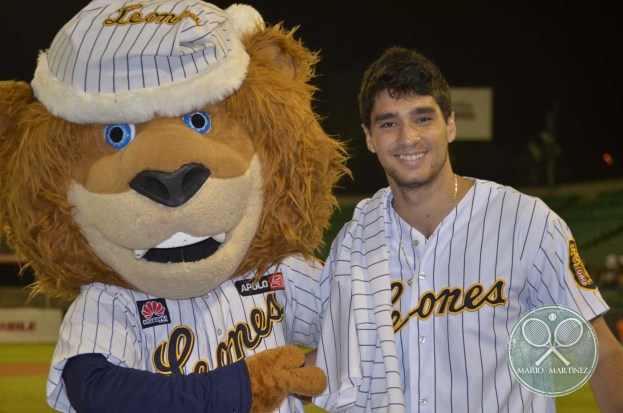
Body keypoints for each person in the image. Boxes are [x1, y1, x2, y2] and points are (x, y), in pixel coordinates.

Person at [312, 46, 623, 412]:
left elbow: (599, 352)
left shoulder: (526, 222)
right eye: (389, 123)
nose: (407, 137)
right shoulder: (353, 244)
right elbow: (331, 363)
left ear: (451, 124)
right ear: (368, 137)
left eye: (423, 118)